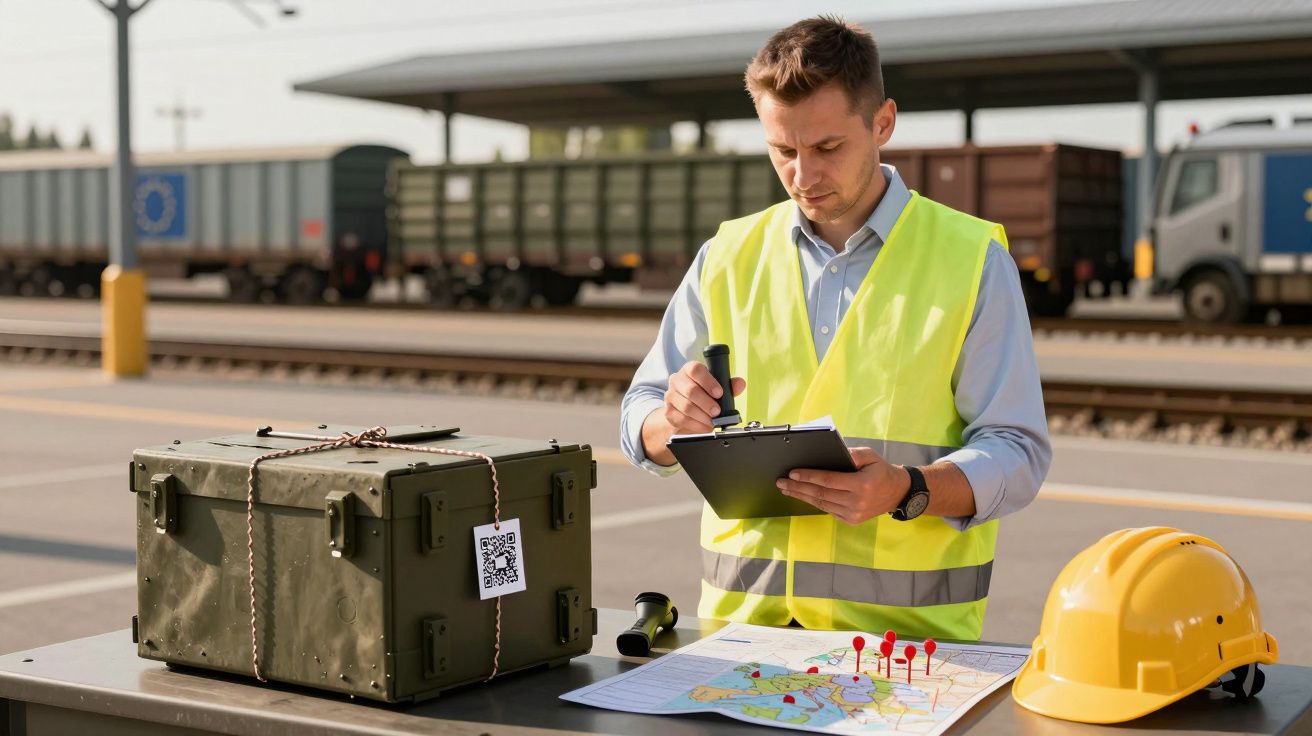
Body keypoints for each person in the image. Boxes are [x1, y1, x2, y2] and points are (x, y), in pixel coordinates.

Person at [618, 16, 1051, 640]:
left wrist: (907, 490)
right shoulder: (727, 255)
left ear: (883, 123)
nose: (803, 176)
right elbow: (641, 414)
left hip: (904, 648)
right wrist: (671, 423)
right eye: (783, 151)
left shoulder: (973, 260)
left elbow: (1018, 451)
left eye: (826, 148)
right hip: (740, 639)